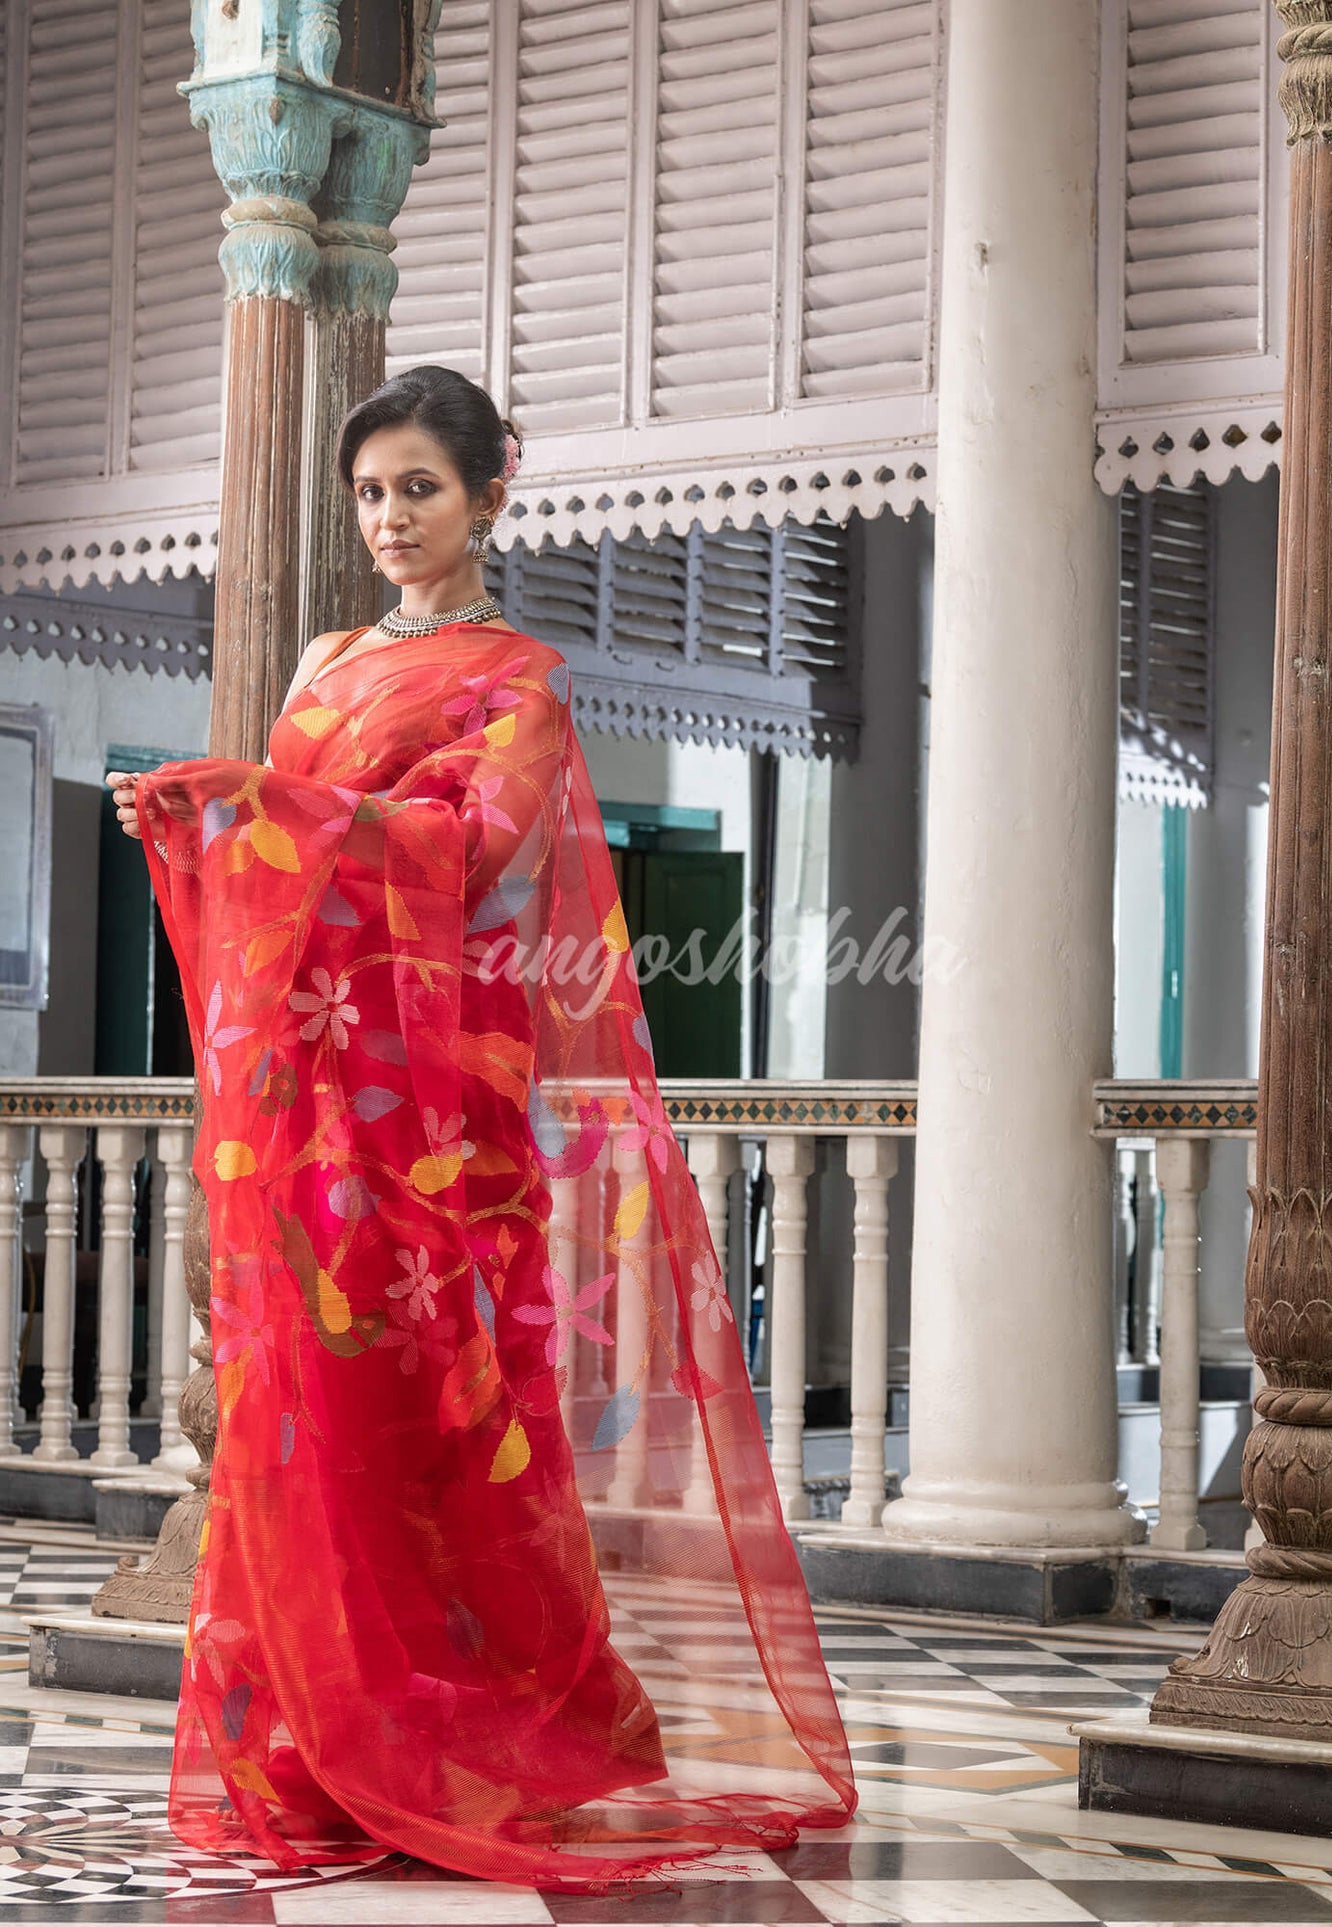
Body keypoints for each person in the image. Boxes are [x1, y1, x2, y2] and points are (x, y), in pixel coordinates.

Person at [106, 365, 855, 1888]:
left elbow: (468, 850)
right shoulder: (325, 661)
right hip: (310, 1102)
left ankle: (475, 1728)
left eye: (418, 489)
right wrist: (201, 822)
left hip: (436, 1109)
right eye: (369, 493)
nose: (389, 519)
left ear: (488, 495)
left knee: (445, 1412)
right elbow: (291, 865)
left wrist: (254, 804)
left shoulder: (517, 681)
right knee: (302, 1405)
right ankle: (315, 1740)